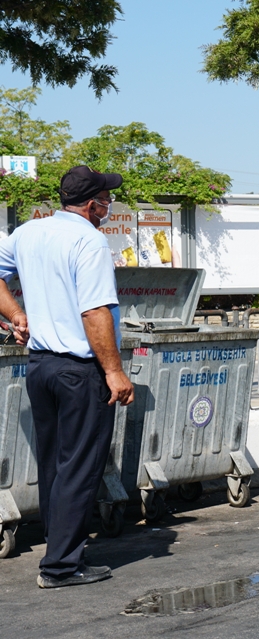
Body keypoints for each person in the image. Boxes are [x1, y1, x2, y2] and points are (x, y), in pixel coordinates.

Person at [0, 166, 134, 588]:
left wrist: (16, 315)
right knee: (80, 466)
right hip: (79, 371)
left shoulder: (29, 232)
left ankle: (58, 552)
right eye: (107, 200)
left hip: (40, 366)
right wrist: (114, 371)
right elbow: (94, 312)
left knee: (56, 464)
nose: (110, 206)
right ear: (93, 204)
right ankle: (60, 567)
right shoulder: (88, 240)